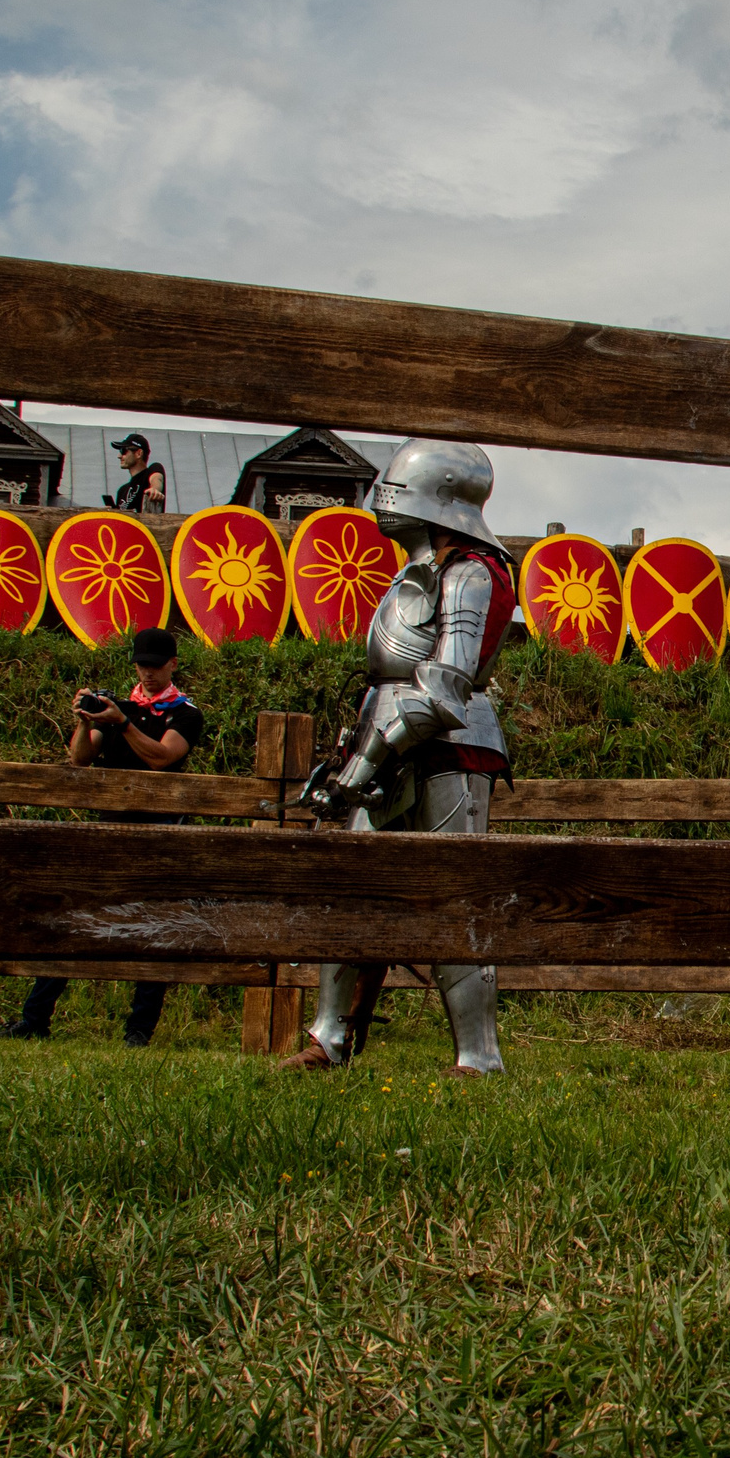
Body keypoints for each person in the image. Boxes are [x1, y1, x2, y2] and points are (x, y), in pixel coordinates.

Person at [280, 439, 513, 1075]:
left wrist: (362, 768)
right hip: (384, 739)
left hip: (451, 748)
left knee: (453, 898)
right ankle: (329, 1039)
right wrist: (351, 755)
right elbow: (386, 683)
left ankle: (477, 1056)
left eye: (397, 486)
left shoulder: (471, 572)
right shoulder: (416, 570)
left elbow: (443, 689)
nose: (384, 498)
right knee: (356, 893)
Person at [0, 627, 207, 1045]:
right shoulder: (118, 707)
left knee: (153, 927)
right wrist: (86, 720)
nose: (147, 674)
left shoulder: (185, 712)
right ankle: (35, 1018)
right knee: (74, 917)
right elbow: (80, 758)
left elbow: (163, 757)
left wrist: (122, 722)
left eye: (154, 666)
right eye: (141, 666)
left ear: (172, 665)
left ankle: (139, 1031)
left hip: (158, 831)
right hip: (108, 824)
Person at [105, 433, 166, 514]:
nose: (119, 456)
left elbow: (157, 478)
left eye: (123, 451)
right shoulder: (122, 490)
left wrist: (155, 489)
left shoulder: (153, 469)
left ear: (139, 453)